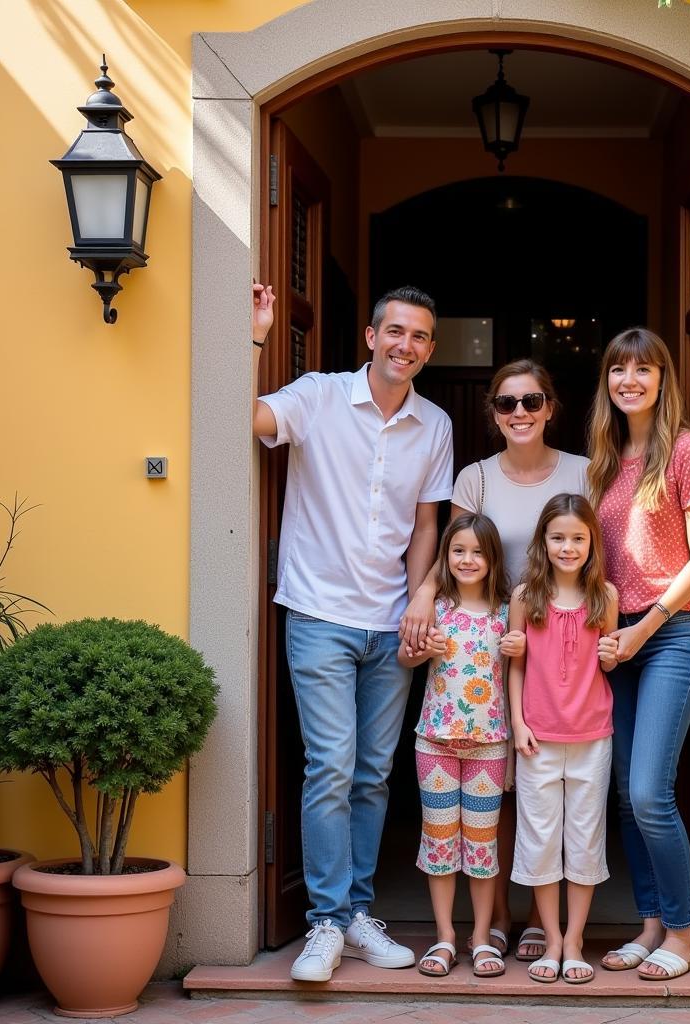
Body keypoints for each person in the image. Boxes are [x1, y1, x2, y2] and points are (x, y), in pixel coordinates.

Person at [251, 282, 453, 982]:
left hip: (391, 621)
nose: (407, 345)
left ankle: (359, 916)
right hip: (319, 614)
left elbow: (427, 524)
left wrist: (419, 600)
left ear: (430, 348)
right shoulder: (319, 394)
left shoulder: (436, 425)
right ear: (371, 337)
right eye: (396, 331)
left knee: (371, 775)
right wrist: (252, 339)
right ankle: (326, 923)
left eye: (421, 336)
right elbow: (248, 418)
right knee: (330, 767)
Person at [400, 358, 589, 963]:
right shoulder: (476, 477)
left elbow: (600, 553)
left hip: (548, 648)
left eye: (531, 401)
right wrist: (425, 598)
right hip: (486, 643)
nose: (520, 414)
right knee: (500, 802)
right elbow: (454, 549)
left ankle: (541, 918)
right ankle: (495, 921)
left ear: (550, 407)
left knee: (530, 792)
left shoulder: (584, 473)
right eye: (507, 404)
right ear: (494, 413)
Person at [588, 328, 690, 981]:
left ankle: (684, 933)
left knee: (648, 791)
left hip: (674, 632)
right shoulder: (604, 462)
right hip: (620, 637)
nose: (630, 380)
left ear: (664, 378)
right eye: (619, 370)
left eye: (643, 369)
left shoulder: (686, 452)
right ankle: (649, 925)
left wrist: (644, 628)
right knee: (622, 792)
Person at [507, 493, 619, 984]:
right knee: (539, 840)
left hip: (592, 735)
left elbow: (607, 661)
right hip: (538, 738)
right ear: (543, 541)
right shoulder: (525, 596)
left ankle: (575, 940)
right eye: (558, 538)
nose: (568, 547)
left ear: (592, 541)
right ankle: (551, 939)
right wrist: (518, 724)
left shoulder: (605, 598)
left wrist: (613, 653)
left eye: (577, 538)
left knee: (584, 840)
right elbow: (515, 668)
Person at [399, 512, 511, 979]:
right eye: (459, 550)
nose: (468, 559)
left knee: (482, 846)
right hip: (436, 743)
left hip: (489, 745)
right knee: (440, 841)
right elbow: (404, 658)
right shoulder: (435, 606)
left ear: (492, 559)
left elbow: (524, 668)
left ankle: (481, 937)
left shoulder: (507, 610)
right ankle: (445, 936)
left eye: (478, 552)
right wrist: (422, 650)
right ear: (445, 555)